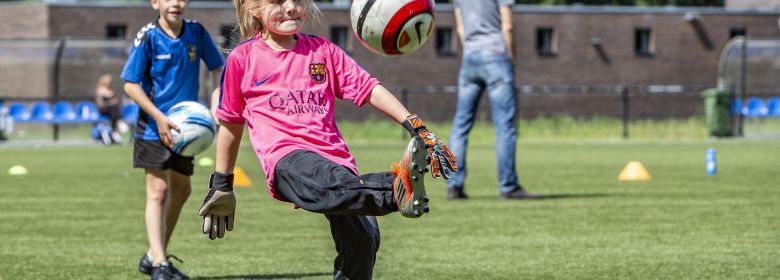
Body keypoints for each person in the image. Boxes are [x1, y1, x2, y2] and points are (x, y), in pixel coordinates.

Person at [194, 0, 457, 279]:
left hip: (337, 162)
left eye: (297, 0)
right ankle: (396, 189)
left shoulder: (323, 50)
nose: (291, 7)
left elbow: (369, 89)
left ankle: (392, 191)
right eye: (277, 2)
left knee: (362, 241)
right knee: (326, 188)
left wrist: (416, 126)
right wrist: (222, 184)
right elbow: (231, 123)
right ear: (254, 9)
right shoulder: (243, 58)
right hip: (287, 157)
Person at [120, 0, 225, 278]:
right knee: (158, 192)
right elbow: (130, 84)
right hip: (154, 128)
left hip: (186, 130)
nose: (176, 3)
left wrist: (216, 103)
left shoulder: (197, 33)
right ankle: (159, 265)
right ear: (156, 2)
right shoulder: (148, 37)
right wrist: (158, 117)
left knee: (182, 190)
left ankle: (155, 256)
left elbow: (218, 69)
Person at [448, 0, 540, 200]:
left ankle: (454, 185)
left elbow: (460, 28)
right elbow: (507, 25)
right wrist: (511, 58)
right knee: (504, 126)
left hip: (470, 56)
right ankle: (508, 186)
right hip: (496, 54)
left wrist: (471, 51)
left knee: (460, 125)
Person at [95, 74, 122, 144]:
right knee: (113, 107)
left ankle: (114, 128)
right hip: (103, 109)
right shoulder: (100, 90)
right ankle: (119, 122)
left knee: (114, 107)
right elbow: (100, 104)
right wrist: (111, 102)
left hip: (112, 111)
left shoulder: (109, 90)